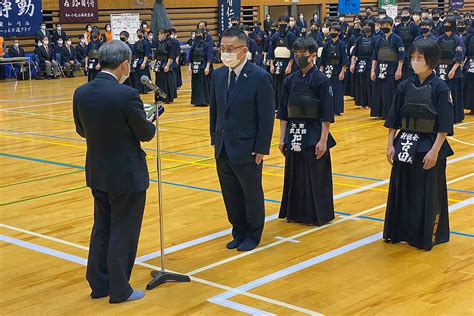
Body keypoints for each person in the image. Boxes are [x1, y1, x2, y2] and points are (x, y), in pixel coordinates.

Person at [73, 40, 155, 304]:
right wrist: (152, 120)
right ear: (125, 64)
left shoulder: (81, 92)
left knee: (103, 227)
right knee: (124, 230)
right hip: (126, 174)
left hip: (97, 171)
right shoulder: (127, 95)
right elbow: (145, 133)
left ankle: (99, 284)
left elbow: (81, 130)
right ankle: (120, 289)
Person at [384, 39, 453, 251]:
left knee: (427, 191)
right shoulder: (405, 85)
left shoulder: (441, 88)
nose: (415, 62)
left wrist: (435, 151)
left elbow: (444, 124)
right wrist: (390, 145)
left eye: (419, 58)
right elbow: (394, 117)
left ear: (430, 61)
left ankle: (426, 234)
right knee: (402, 188)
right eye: (413, 58)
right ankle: (400, 231)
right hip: (405, 143)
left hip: (429, 144)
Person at [210, 27, 275, 251]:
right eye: (223, 48)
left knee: (251, 193)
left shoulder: (259, 77)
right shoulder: (218, 75)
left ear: (243, 50)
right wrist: (215, 140)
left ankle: (253, 233)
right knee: (231, 194)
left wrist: (261, 148)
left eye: (230, 49)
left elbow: (267, 116)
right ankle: (238, 230)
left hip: (248, 148)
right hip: (223, 147)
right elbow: (215, 111)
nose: (225, 53)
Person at [277, 36, 336, 226]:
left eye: (303, 54)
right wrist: (282, 137)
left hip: (313, 133)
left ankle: (316, 214)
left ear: (312, 56)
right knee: (295, 175)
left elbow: (327, 115)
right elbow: (284, 112)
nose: (299, 57)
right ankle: (295, 213)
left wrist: (323, 141)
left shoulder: (322, 80)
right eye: (296, 54)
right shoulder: (289, 80)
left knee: (315, 175)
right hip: (294, 133)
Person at [371, 17, 405, 119]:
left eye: (387, 25)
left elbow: (401, 56)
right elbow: (375, 57)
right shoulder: (379, 40)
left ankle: (390, 113)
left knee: (389, 92)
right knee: (379, 91)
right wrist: (373, 70)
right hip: (380, 68)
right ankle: (380, 113)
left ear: (391, 25)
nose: (385, 27)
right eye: (383, 25)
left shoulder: (397, 39)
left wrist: (399, 70)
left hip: (392, 68)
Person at [436, 17, 465, 123]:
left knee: (453, 94)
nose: (446, 25)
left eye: (448, 23)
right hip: (441, 69)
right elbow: (435, 53)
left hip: (453, 70)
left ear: (453, 25)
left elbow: (459, 57)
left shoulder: (457, 39)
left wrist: (453, 70)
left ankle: (455, 116)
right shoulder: (439, 39)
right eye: (445, 23)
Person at [269, 15, 297, 112]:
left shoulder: (291, 36)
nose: (282, 25)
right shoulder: (274, 36)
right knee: (276, 85)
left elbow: (293, 52)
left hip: (287, 63)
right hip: (277, 63)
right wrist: (272, 65)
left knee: (287, 84)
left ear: (288, 24)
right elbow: (271, 52)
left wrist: (289, 66)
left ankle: (287, 106)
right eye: (280, 23)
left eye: (284, 23)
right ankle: (277, 106)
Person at [319, 25, 347, 115]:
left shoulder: (342, 44)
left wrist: (342, 72)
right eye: (331, 31)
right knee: (327, 90)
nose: (332, 33)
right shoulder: (327, 44)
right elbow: (323, 58)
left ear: (338, 33)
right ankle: (327, 108)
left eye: (334, 31)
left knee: (337, 90)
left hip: (337, 69)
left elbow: (344, 60)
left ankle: (337, 110)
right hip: (328, 69)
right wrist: (321, 69)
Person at [351, 20, 376, 109]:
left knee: (370, 84)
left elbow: (375, 54)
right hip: (360, 62)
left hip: (370, 62)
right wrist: (352, 64)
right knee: (361, 83)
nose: (366, 27)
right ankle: (362, 103)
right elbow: (354, 53)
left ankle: (370, 103)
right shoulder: (359, 39)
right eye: (364, 25)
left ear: (372, 28)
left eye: (368, 26)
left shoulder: (375, 39)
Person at [394, 7, 420, 80]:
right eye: (402, 14)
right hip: (399, 51)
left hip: (410, 51)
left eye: (406, 13)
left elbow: (417, 39)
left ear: (410, 15)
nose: (404, 15)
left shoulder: (414, 26)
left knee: (409, 72)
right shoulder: (397, 27)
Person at [189, 28, 212, 106]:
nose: (198, 36)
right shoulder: (193, 45)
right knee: (196, 84)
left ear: (203, 35)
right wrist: (189, 68)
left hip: (203, 66)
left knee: (204, 84)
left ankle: (205, 101)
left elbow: (209, 57)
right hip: (195, 66)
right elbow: (190, 58)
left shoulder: (206, 45)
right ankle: (196, 101)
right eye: (197, 34)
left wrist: (207, 67)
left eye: (200, 34)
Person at [152, 29, 176, 103]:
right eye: (159, 34)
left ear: (165, 34)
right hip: (159, 63)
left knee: (167, 81)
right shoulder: (159, 43)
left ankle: (167, 98)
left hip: (165, 63)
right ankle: (159, 98)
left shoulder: (169, 43)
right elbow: (156, 55)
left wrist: (167, 65)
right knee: (158, 81)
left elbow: (171, 56)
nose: (159, 35)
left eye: (161, 34)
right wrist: (154, 64)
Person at [132, 28, 152, 94]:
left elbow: (146, 54)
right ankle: (139, 89)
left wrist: (144, 63)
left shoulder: (146, 43)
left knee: (144, 75)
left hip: (143, 60)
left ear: (143, 34)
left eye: (140, 33)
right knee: (137, 75)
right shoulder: (137, 43)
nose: (138, 34)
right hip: (137, 61)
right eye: (137, 33)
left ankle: (146, 89)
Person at [463, 23, 474, 115]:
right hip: (471, 62)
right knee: (470, 86)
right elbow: (465, 50)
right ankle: (472, 108)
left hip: (470, 62)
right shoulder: (469, 36)